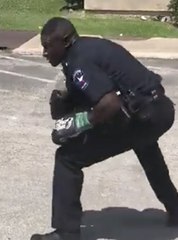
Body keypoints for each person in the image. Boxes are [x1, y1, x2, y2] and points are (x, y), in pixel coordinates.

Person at [31, 17, 178, 240]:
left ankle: (66, 233)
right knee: (145, 145)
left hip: (144, 115)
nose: (44, 52)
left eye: (48, 46)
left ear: (66, 41)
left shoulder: (78, 60)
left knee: (67, 158)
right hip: (158, 110)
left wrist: (77, 125)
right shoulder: (88, 48)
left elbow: (109, 104)